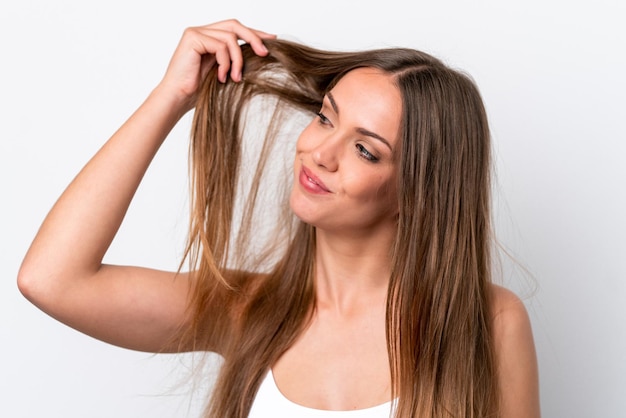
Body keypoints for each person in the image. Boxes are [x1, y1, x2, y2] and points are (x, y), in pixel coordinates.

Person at [17, 19, 540, 418]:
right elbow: (52, 280)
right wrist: (172, 97)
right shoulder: (247, 311)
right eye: (324, 117)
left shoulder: (488, 323)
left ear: (419, 191)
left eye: (365, 149)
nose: (319, 152)